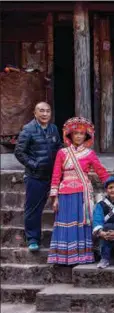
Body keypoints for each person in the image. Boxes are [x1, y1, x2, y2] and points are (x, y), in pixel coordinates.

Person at [47, 117, 109, 265]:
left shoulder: (89, 154)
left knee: (81, 223)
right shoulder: (62, 153)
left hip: (82, 193)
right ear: (70, 135)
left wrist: (113, 185)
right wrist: (54, 197)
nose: (79, 136)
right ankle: (63, 256)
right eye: (76, 133)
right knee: (65, 223)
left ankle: (81, 256)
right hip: (65, 193)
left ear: (86, 136)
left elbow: (101, 172)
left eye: (82, 134)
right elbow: (56, 174)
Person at [14, 101, 62, 251]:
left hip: (53, 175)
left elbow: (59, 147)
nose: (45, 114)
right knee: (33, 209)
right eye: (41, 111)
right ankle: (33, 239)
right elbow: (19, 152)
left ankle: (62, 239)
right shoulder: (28, 130)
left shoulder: (53, 128)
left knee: (61, 207)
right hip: (35, 176)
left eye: (47, 111)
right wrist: (34, 165)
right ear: (35, 113)